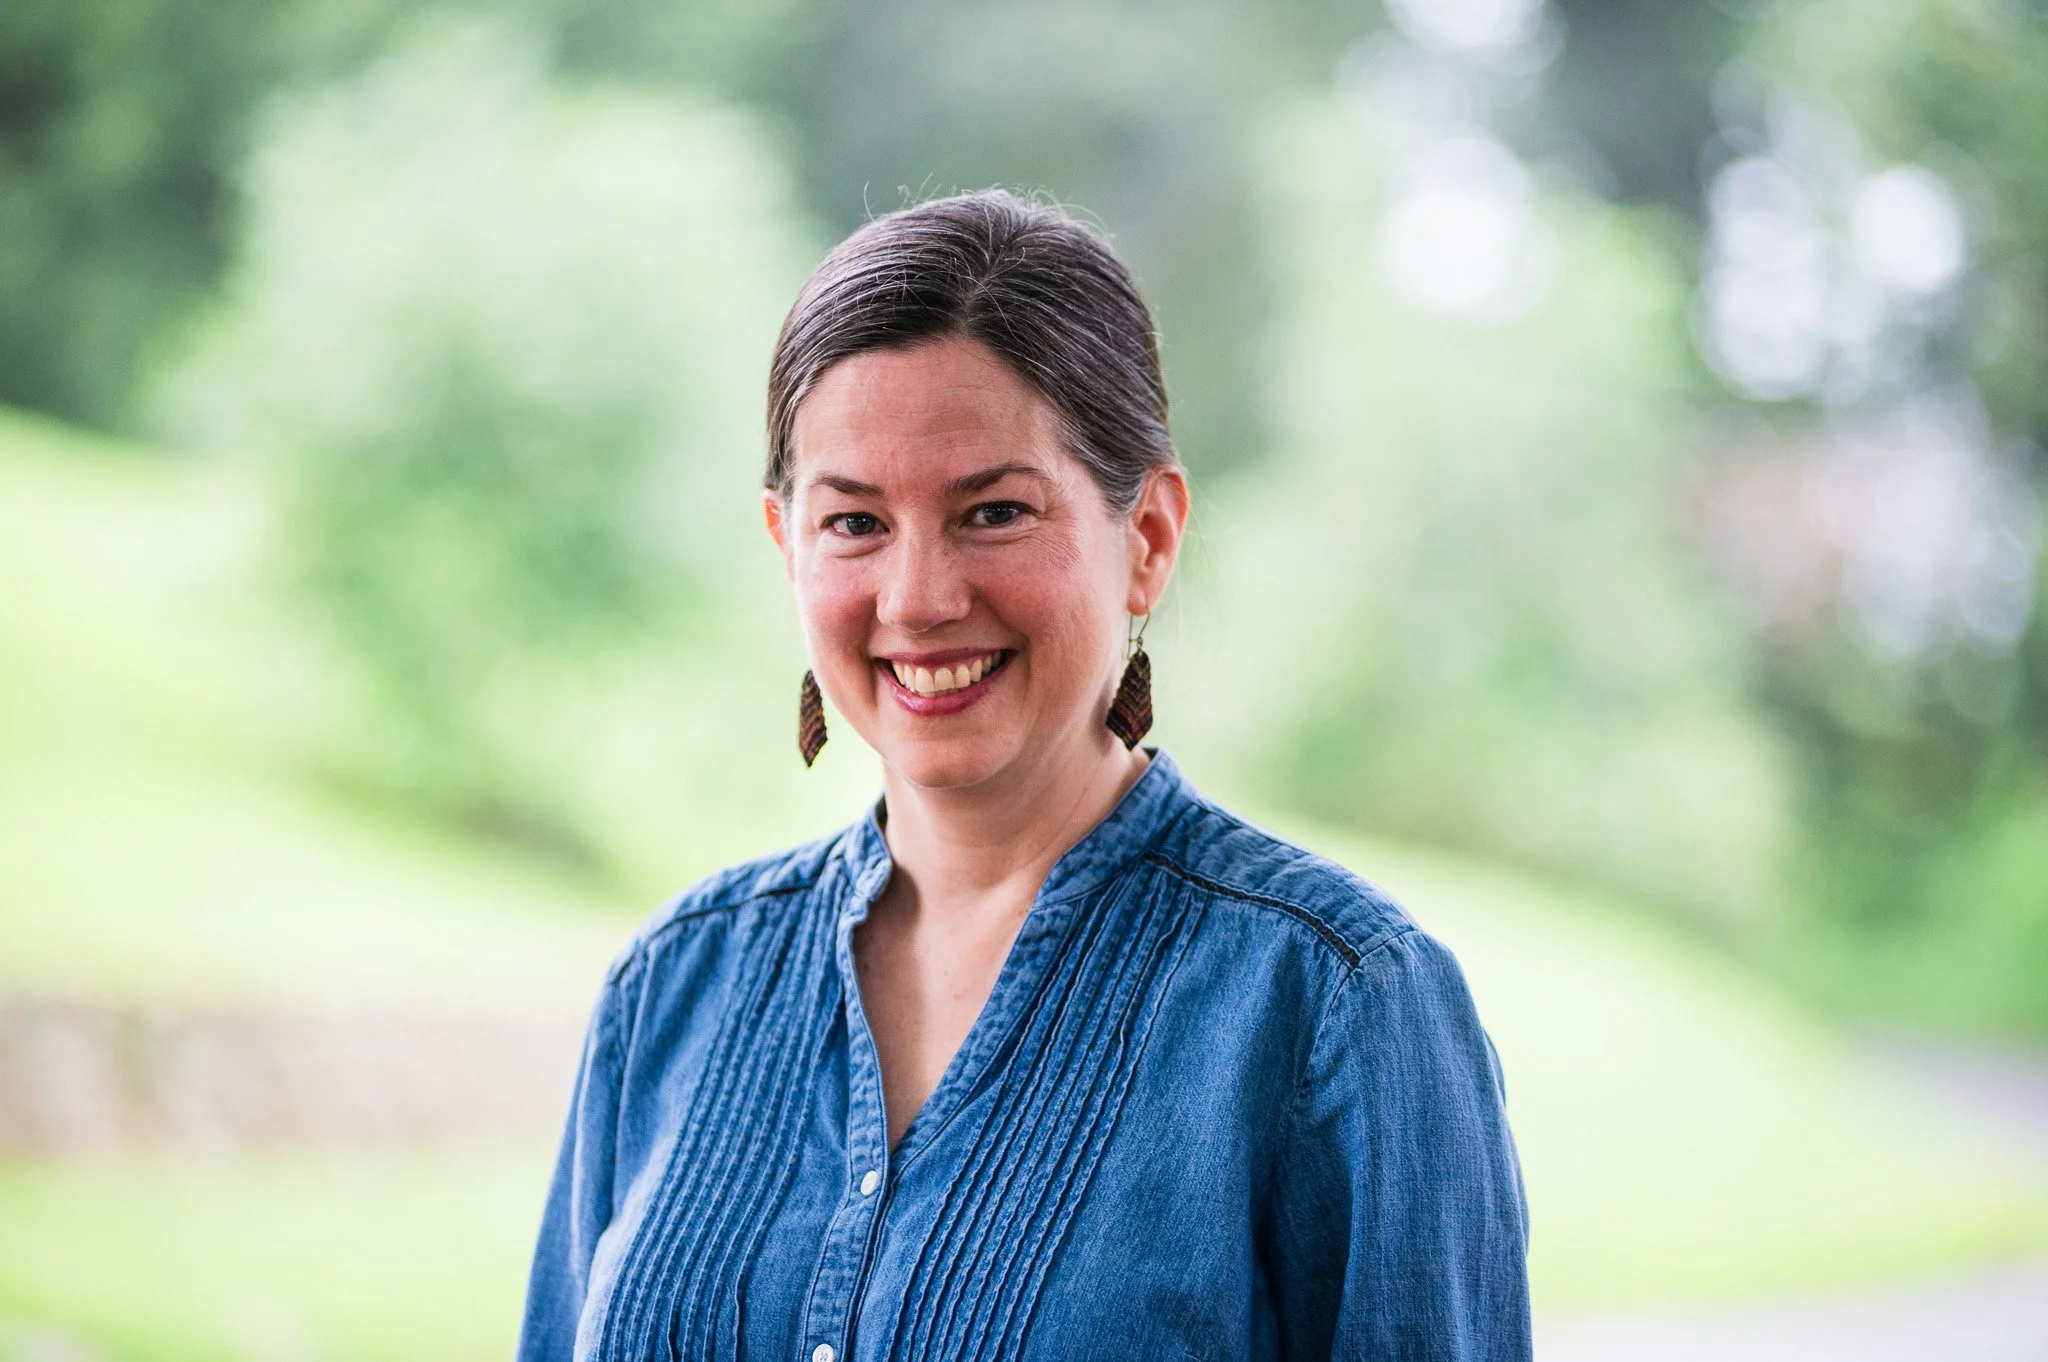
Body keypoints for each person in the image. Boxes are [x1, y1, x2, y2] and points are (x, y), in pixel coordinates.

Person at [517, 189, 1529, 1362]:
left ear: (1145, 538)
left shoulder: (1335, 1004)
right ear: (784, 545)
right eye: (853, 524)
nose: (917, 599)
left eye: (992, 511)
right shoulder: (666, 993)